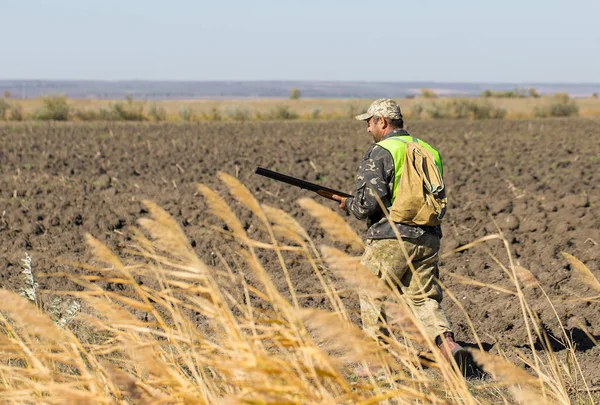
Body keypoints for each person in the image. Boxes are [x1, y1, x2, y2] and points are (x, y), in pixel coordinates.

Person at [331, 98, 468, 370]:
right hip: (428, 237)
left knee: (370, 290)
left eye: (370, 123)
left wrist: (349, 204)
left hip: (391, 236)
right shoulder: (428, 149)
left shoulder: (381, 151)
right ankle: (449, 347)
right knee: (423, 297)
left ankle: (375, 361)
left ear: (382, 121)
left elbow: (369, 203)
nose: (368, 129)